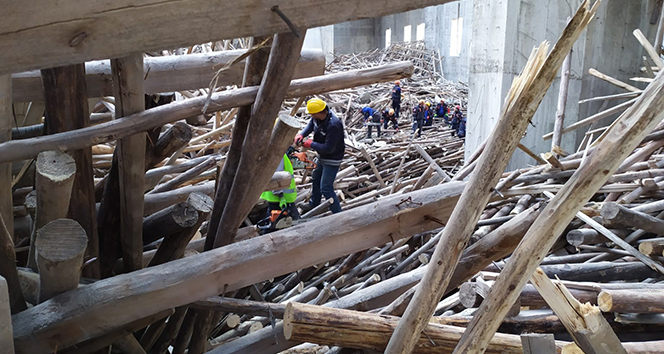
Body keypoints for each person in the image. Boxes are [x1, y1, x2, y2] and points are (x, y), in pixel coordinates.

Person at [294, 98, 345, 214]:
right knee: (315, 179)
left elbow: (329, 148)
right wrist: (302, 134)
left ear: (319, 112)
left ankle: (337, 213)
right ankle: (314, 203)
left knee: (326, 187)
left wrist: (311, 144)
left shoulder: (333, 125)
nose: (311, 116)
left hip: (332, 158)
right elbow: (311, 125)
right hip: (322, 157)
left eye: (312, 114)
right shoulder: (317, 118)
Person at [258, 152, 299, 234]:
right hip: (281, 197)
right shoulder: (277, 155)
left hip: (278, 197)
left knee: (272, 224)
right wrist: (281, 196)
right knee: (297, 223)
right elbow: (277, 177)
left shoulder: (272, 152)